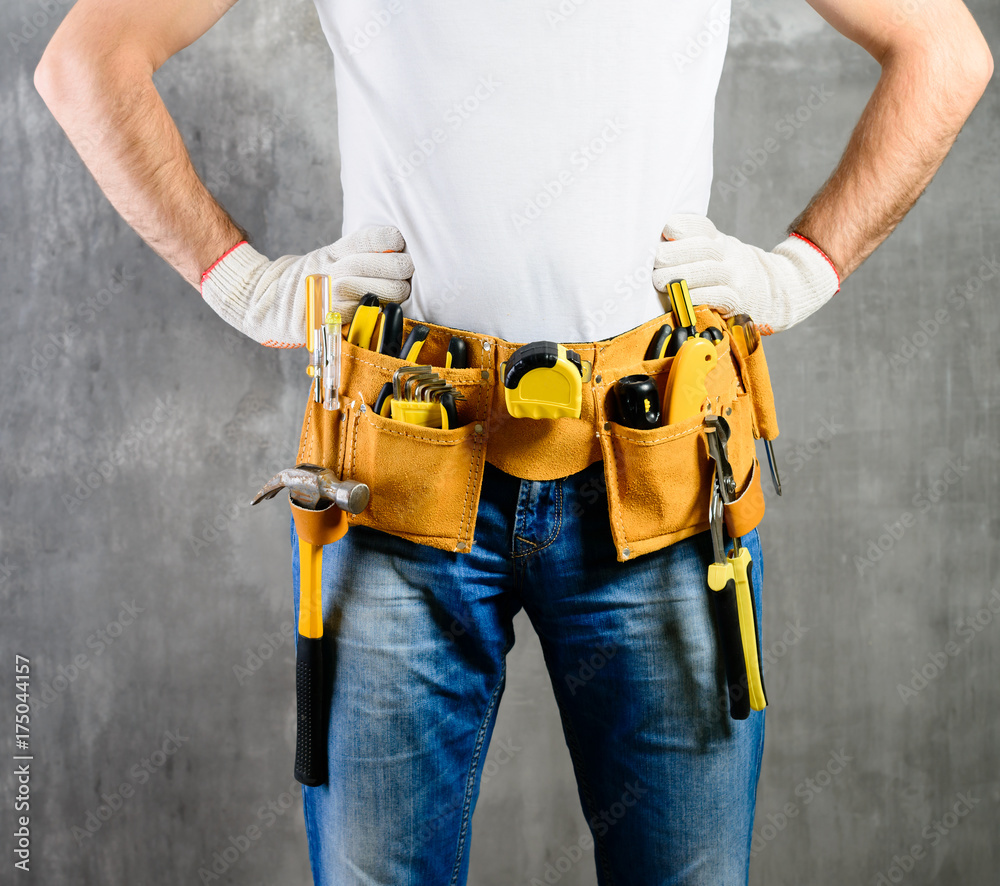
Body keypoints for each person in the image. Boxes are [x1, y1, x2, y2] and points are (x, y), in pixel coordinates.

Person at [35, 1, 992, 883]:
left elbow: (943, 54)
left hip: (655, 474)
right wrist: (244, 283)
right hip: (398, 470)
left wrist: (801, 273)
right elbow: (87, 63)